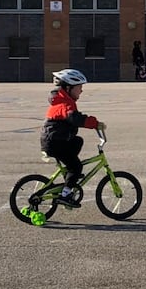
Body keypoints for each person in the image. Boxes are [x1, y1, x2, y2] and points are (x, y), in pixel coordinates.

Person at [39, 68, 103, 207]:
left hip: (57, 140)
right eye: (79, 87)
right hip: (55, 143)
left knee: (78, 141)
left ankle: (70, 176)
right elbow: (74, 118)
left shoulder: (63, 100)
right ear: (68, 88)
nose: (81, 90)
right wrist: (94, 123)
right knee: (76, 167)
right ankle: (66, 194)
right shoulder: (64, 104)